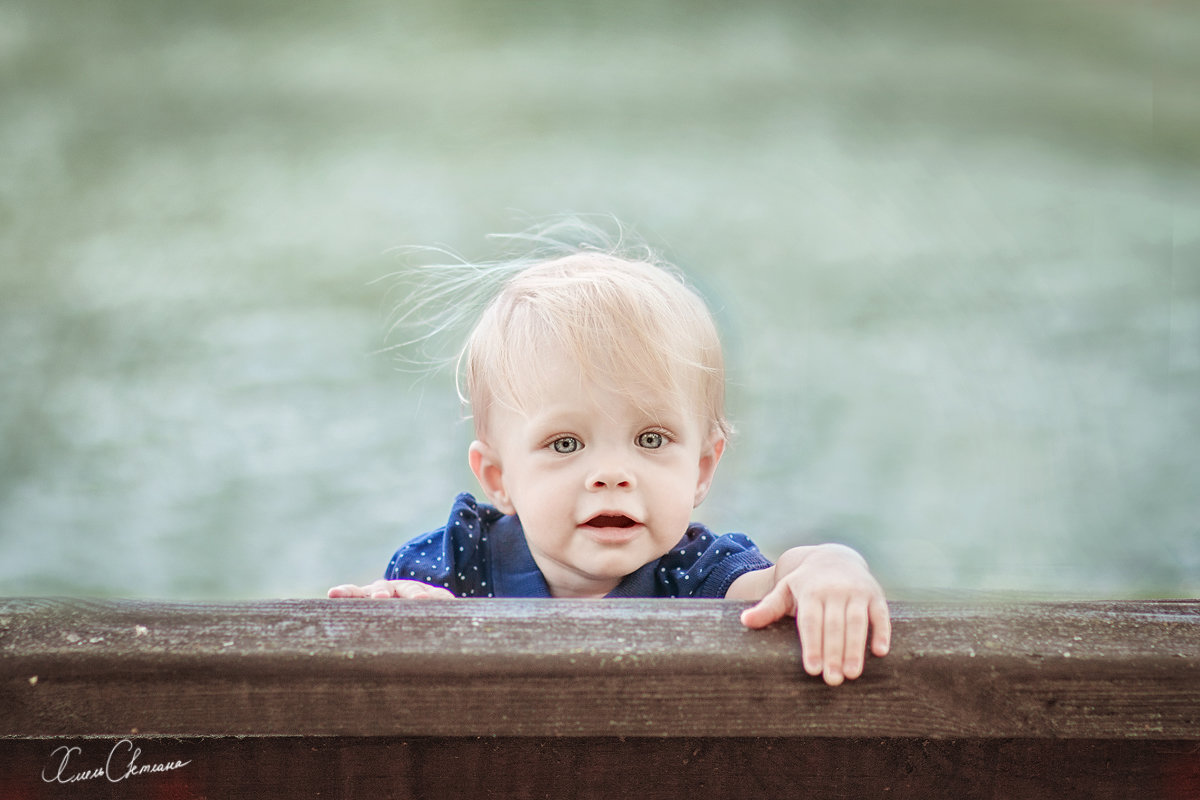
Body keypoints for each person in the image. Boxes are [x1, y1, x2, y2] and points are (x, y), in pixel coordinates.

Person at [329, 227, 890, 686]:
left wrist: (827, 566)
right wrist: (401, 614)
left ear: (700, 469)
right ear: (499, 479)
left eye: (650, 440)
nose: (612, 475)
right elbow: (392, 645)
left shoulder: (694, 574)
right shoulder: (456, 564)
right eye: (565, 444)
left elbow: (773, 587)